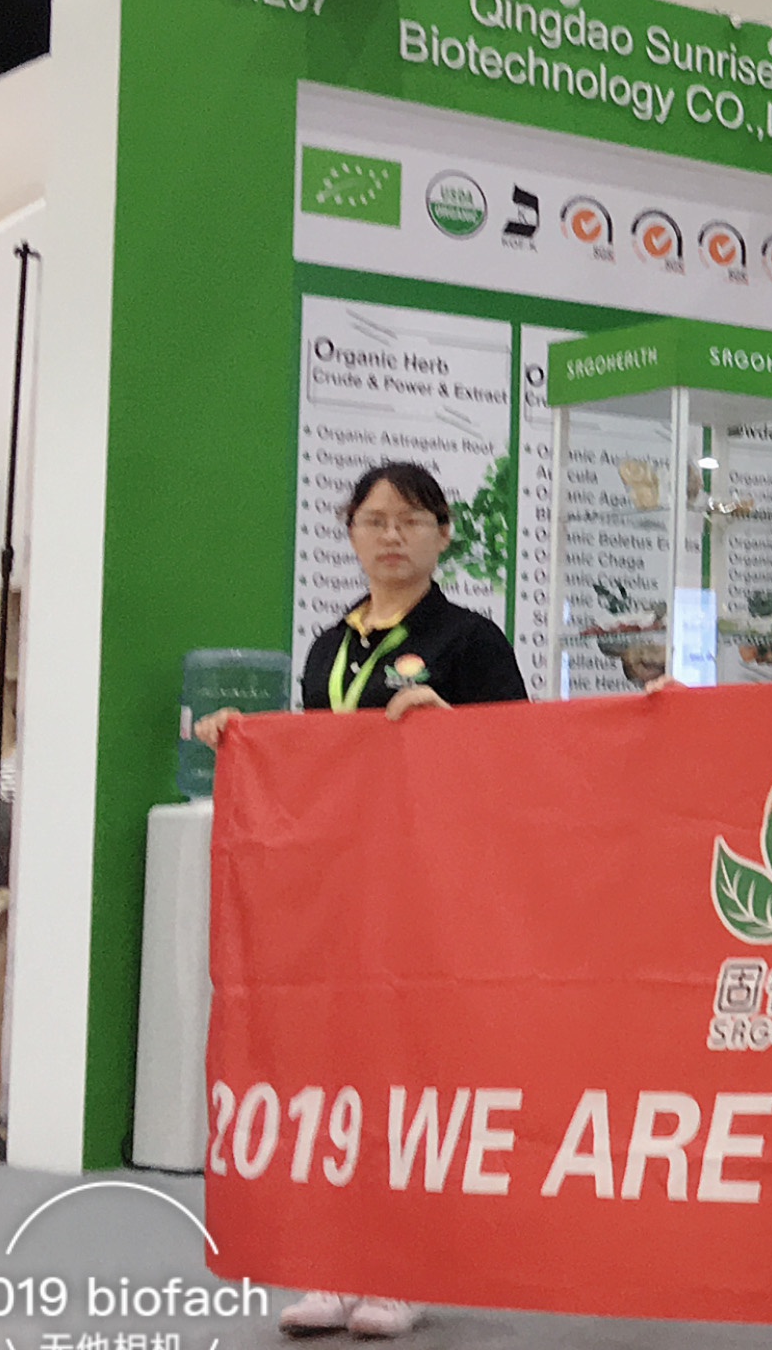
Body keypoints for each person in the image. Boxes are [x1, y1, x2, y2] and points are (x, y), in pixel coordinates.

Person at [196, 460, 527, 1340]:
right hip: (337, 895)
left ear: (443, 534)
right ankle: (334, 1264)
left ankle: (403, 1270)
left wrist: (450, 724)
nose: (391, 536)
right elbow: (310, 763)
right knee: (333, 1074)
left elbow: (520, 757)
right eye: (374, 520)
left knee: (411, 1077)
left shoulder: (471, 641)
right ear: (349, 532)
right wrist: (244, 740)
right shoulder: (328, 646)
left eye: (411, 520)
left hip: (428, 891)